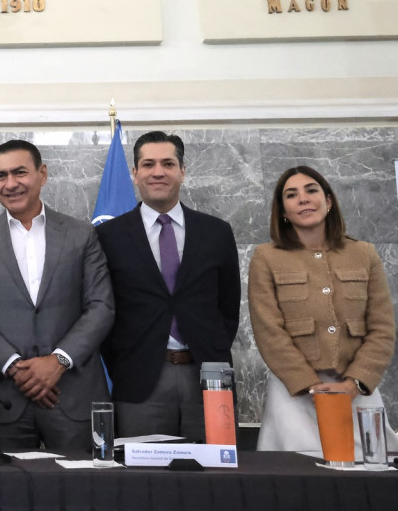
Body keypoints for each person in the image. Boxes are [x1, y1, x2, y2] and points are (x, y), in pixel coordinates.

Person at [0, 139, 114, 451]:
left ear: (42, 173)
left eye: (19, 173)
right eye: (1, 176)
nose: (10, 184)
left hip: (72, 394)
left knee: (80, 496)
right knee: (4, 497)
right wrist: (16, 366)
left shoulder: (81, 234)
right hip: (3, 400)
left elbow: (101, 306)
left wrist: (58, 361)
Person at [96, 131, 240, 440]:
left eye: (168, 163)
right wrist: (125, 360)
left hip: (207, 379)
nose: (158, 172)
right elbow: (102, 309)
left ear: (183, 171)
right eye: (148, 164)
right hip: (139, 380)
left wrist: (208, 350)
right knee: (143, 481)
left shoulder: (216, 232)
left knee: (215, 479)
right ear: (135, 174)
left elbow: (228, 308)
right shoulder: (109, 236)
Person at [249, 166, 397, 455]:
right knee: (296, 482)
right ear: (283, 211)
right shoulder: (266, 258)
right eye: (291, 195)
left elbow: (382, 328)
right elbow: (269, 332)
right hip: (294, 394)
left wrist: (355, 383)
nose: (303, 199)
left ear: (329, 201)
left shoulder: (364, 253)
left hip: (356, 391)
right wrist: (310, 386)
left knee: (369, 480)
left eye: (311, 190)